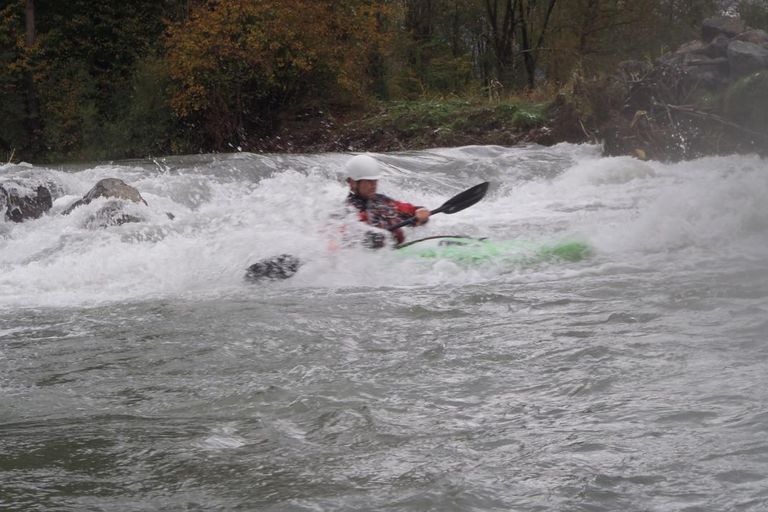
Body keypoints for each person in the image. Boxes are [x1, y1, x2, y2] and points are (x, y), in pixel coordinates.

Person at [344, 154, 430, 247]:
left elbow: (408, 209)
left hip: (399, 253)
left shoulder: (382, 201)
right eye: (369, 181)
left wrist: (420, 211)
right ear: (353, 183)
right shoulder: (346, 209)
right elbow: (340, 236)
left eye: (375, 181)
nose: (374, 185)